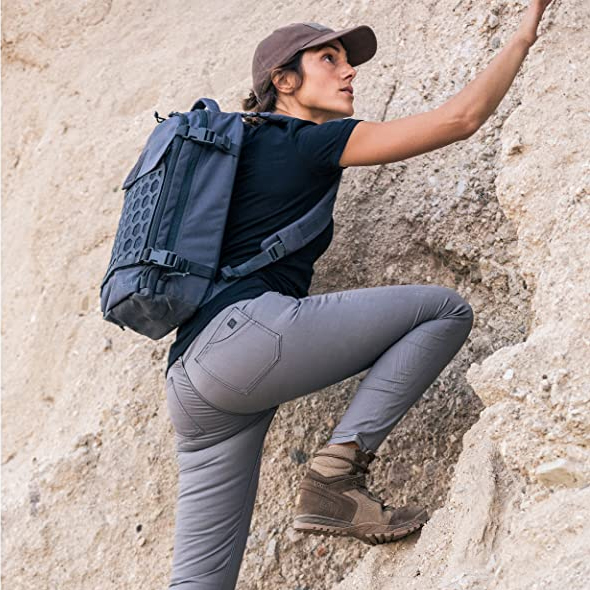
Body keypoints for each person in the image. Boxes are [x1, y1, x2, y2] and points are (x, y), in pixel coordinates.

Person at [165, 3, 554, 588]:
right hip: (245, 339)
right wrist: (524, 34)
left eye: (348, 61)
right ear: (284, 81)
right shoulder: (300, 140)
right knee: (443, 309)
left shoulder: (242, 152)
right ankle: (334, 477)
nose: (349, 72)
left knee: (199, 581)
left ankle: (330, 482)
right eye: (329, 59)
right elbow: (461, 119)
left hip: (192, 383)